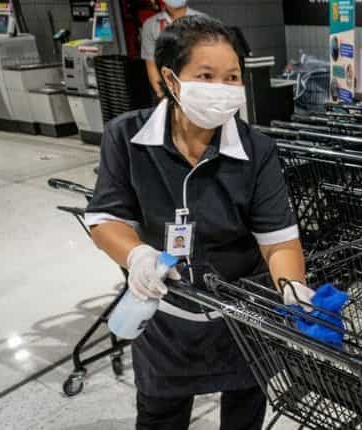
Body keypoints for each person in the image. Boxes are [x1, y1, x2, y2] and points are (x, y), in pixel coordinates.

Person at [85, 15, 313, 430]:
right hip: (165, 314)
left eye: (231, 78)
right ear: (173, 80)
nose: (221, 90)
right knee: (160, 414)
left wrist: (292, 288)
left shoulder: (255, 149)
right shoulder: (127, 138)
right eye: (206, 76)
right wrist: (136, 255)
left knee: (244, 409)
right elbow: (105, 219)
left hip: (244, 315)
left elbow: (278, 241)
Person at [141, 0, 204, 99]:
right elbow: (151, 64)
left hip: (198, 88)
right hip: (168, 89)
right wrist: (162, 96)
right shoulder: (150, 25)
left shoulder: (203, 21)